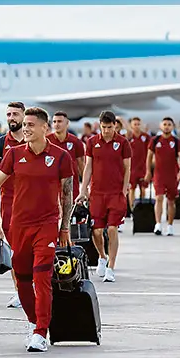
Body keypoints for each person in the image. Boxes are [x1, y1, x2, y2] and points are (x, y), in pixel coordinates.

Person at [0, 106, 74, 353]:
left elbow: (67, 195)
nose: (26, 129)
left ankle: (41, 332)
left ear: (44, 128)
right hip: (19, 225)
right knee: (22, 278)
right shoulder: (14, 154)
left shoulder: (61, 156)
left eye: (31, 125)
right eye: (25, 125)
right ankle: (33, 322)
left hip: (47, 225)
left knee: (42, 276)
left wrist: (64, 228)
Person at [76, 110, 130, 283]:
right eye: (103, 127)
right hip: (97, 193)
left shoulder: (122, 143)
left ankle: (111, 267)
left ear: (115, 126)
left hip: (115, 193)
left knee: (112, 229)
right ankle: (102, 256)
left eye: (109, 127)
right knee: (97, 231)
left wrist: (124, 191)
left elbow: (127, 168)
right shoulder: (92, 142)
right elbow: (88, 167)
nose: (106, 131)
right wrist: (83, 190)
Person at [0, 101, 27, 309]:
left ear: (24, 116)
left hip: (35, 203)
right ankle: (20, 291)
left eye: (15, 114)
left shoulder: (35, 139)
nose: (11, 118)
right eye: (9, 114)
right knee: (16, 251)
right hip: (10, 204)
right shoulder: (1, 144)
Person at [144, 117, 180, 236]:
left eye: (169, 124)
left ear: (172, 127)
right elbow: (149, 157)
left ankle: (170, 225)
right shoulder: (155, 140)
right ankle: (158, 224)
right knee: (159, 198)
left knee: (171, 201)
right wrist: (148, 171)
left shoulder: (177, 142)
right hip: (159, 175)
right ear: (161, 126)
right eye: (165, 124)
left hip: (172, 175)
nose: (166, 127)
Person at [47, 111, 86, 200]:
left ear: (67, 123)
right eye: (54, 122)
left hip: (72, 187)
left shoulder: (76, 141)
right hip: (51, 187)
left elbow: (81, 166)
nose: (56, 124)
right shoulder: (47, 141)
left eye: (59, 121)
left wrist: (85, 189)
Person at [126, 117, 150, 206]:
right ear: (131, 126)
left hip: (143, 168)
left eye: (138, 124)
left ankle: (141, 206)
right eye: (135, 124)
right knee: (131, 189)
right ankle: (132, 209)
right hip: (132, 168)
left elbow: (150, 151)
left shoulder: (146, 137)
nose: (137, 126)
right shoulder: (129, 137)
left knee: (143, 189)